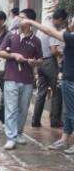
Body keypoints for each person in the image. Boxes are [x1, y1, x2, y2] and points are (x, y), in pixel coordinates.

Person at [23, 12, 74, 154]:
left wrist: (32, 23)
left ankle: (62, 137)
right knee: (69, 111)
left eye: (72, 19)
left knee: (71, 111)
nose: (70, 20)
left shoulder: (71, 37)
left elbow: (50, 32)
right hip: (63, 74)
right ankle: (64, 140)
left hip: (70, 79)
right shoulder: (69, 36)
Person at [0, 8, 43, 150]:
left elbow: (40, 58)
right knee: (11, 108)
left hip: (28, 79)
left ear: (30, 21)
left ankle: (18, 132)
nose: (19, 20)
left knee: (23, 109)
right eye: (19, 18)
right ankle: (11, 137)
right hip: (10, 77)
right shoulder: (11, 35)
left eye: (22, 18)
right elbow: (1, 52)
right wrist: (14, 56)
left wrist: (35, 62)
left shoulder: (35, 41)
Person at [31, 9, 67, 128]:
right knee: (57, 91)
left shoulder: (43, 27)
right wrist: (61, 53)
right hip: (50, 63)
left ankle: (35, 120)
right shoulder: (52, 30)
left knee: (41, 92)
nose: (61, 25)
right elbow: (53, 50)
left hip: (40, 62)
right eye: (62, 22)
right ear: (60, 19)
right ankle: (55, 120)